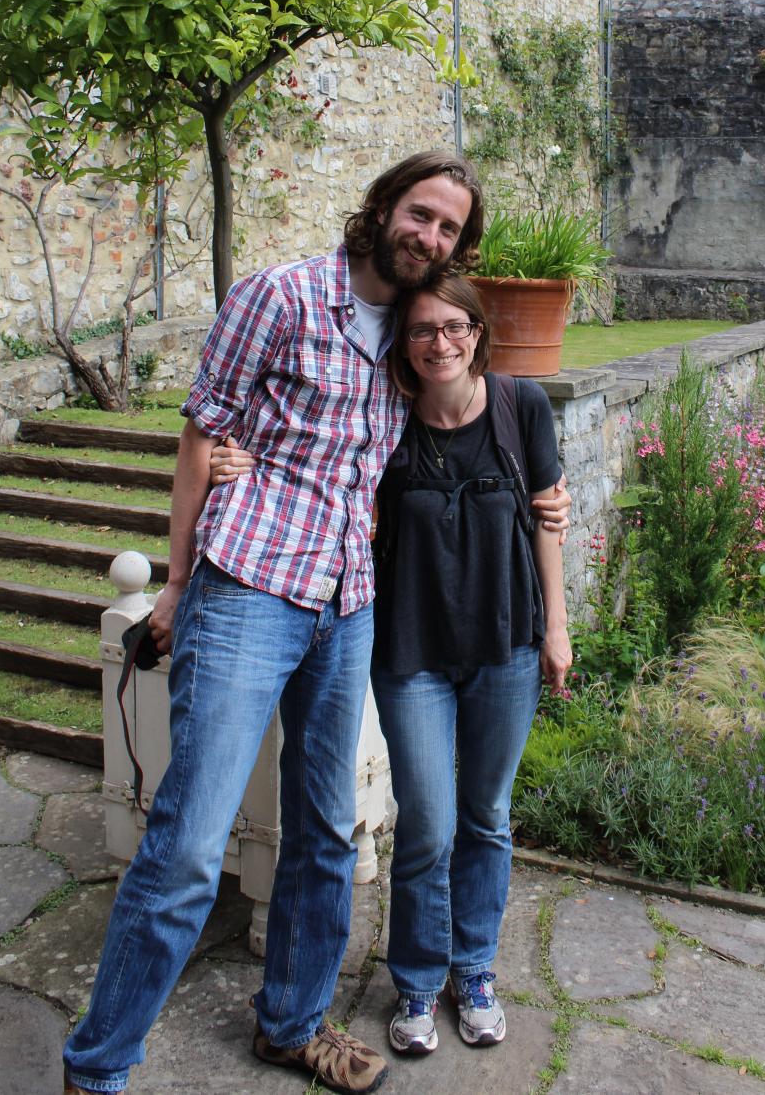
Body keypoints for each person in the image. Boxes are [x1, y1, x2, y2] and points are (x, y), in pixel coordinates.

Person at [62, 150, 570, 1095]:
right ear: (383, 207)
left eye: (450, 229)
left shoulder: (410, 342)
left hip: (347, 610)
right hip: (250, 590)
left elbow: (462, 438)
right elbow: (201, 431)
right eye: (420, 214)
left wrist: (547, 508)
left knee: (324, 834)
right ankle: (96, 1069)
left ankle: (292, 1022)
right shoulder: (282, 296)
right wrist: (176, 582)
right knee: (185, 843)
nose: (430, 236)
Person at [210, 273, 573, 1058]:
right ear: (402, 346)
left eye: (454, 326)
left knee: (487, 818)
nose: (440, 342)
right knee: (428, 826)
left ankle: (470, 970)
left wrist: (558, 629)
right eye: (421, 330)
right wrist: (231, 461)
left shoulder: (520, 406)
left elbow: (549, 514)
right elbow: (308, 467)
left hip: (507, 643)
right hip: (411, 655)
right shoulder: (386, 421)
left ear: (478, 331)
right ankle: (415, 977)